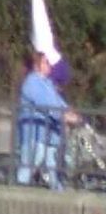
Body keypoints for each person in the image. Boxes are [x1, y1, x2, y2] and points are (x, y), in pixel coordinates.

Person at [17, 51, 79, 189]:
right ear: (36, 65)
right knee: (31, 162)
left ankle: (58, 191)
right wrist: (65, 116)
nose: (49, 65)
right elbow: (46, 104)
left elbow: (58, 102)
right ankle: (19, 189)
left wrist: (70, 111)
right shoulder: (32, 82)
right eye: (45, 62)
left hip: (49, 134)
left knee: (53, 165)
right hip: (34, 132)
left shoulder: (48, 83)